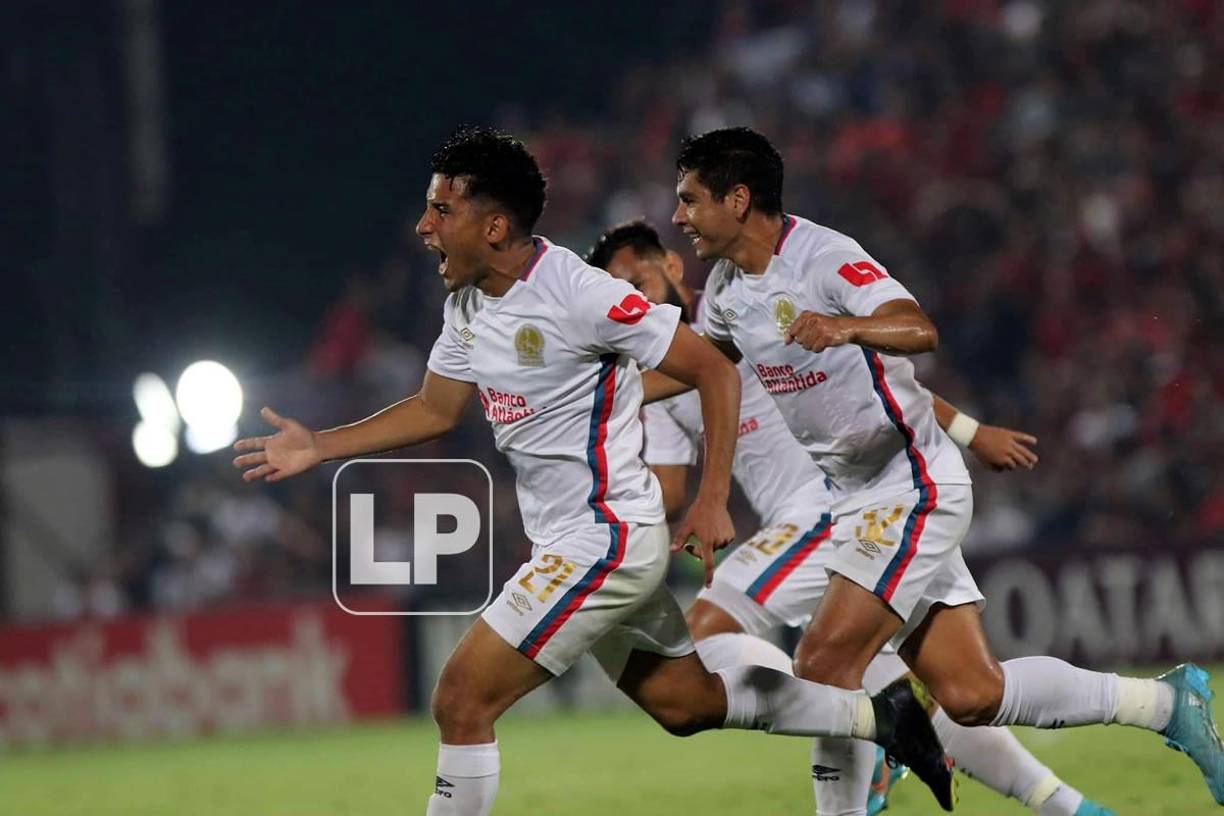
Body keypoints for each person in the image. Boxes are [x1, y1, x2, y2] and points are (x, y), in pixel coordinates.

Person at [232, 126, 957, 816]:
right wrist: (319, 445)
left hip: (603, 540)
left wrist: (711, 499)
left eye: (441, 210)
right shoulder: (468, 304)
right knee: (687, 704)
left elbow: (712, 369)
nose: (424, 227)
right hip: (573, 541)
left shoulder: (580, 294)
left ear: (494, 227)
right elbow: (434, 407)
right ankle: (883, 716)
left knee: (460, 700)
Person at [655, 126, 1223, 812]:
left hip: (910, 488)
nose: (678, 216)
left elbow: (917, 328)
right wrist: (600, 391)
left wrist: (846, 326)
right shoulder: (725, 288)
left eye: (690, 199)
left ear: (738, 199)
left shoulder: (825, 259)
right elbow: (701, 368)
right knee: (973, 694)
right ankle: (1166, 704)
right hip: (855, 499)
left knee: (825, 664)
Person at [588, 219, 1116, 816]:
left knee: (712, 633)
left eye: (638, 281)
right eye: (620, 294)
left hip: (833, 504)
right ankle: (1066, 805)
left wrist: (970, 431)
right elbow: (667, 493)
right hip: (826, 516)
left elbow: (872, 378)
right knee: (954, 690)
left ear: (672, 266)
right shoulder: (655, 375)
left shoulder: (739, 304)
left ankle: (866, 719)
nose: (636, 298)